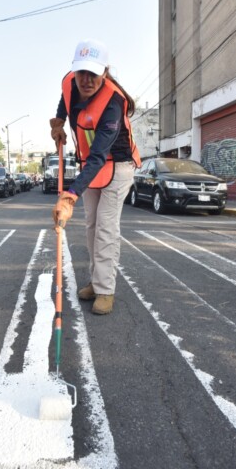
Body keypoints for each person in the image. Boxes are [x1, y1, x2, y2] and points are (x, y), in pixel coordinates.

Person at [50, 39, 142, 315]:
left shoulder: (113, 104)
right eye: (82, 73)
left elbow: (99, 156)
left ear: (105, 72)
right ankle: (96, 279)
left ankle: (106, 290)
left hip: (117, 165)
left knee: (105, 228)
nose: (87, 80)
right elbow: (64, 103)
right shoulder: (70, 83)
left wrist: (69, 196)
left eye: (94, 73)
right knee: (91, 225)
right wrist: (58, 124)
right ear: (74, 71)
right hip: (91, 165)